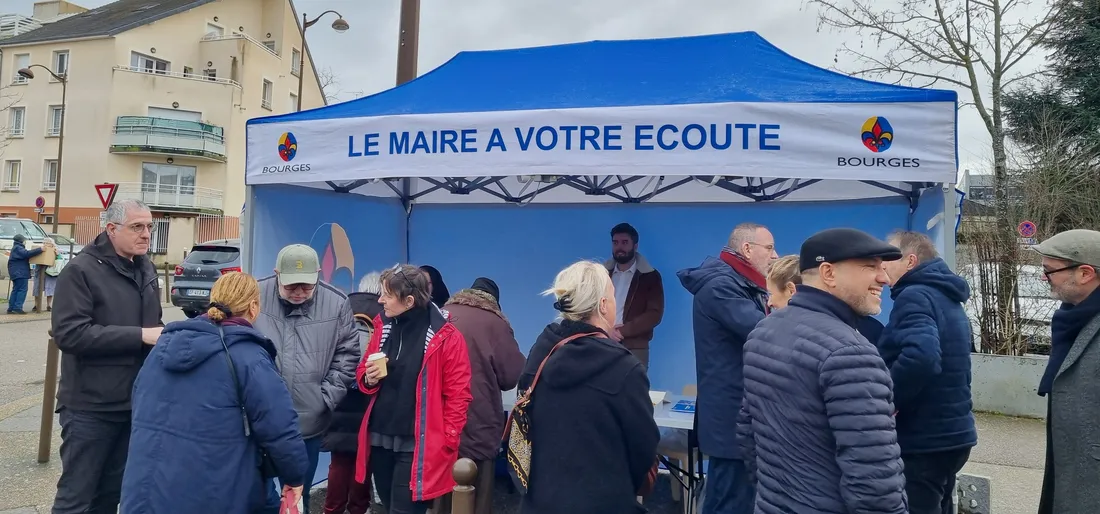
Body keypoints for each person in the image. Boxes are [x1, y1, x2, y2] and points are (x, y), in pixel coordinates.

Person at [737, 227, 907, 513]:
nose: (884, 278)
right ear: (828, 273)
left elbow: (747, 434)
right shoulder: (852, 353)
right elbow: (874, 481)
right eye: (870, 267)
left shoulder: (764, 331)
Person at [121, 272, 309, 513]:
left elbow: (139, 402)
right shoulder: (249, 357)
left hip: (147, 488)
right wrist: (294, 477)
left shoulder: (163, 347)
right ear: (253, 307)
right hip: (214, 490)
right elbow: (280, 427)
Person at [50, 199, 164, 514]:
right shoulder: (80, 270)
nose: (146, 234)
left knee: (110, 496)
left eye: (149, 227)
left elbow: (153, 326)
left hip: (133, 403)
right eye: (137, 227)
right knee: (76, 499)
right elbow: (70, 334)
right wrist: (139, 335)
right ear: (111, 229)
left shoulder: (146, 267)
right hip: (90, 408)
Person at [518, 260, 659, 514]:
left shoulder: (542, 350)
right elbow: (643, 449)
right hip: (604, 503)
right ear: (603, 305)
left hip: (538, 501)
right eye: (613, 296)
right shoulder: (625, 367)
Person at [677, 222, 776, 514]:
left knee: (736, 499)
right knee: (729, 501)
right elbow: (763, 331)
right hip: (731, 418)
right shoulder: (721, 286)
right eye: (769, 248)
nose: (775, 255)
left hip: (740, 414)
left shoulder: (741, 283)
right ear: (747, 249)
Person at [356, 264, 472, 514]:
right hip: (380, 438)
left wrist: (448, 439)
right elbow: (363, 372)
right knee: (387, 508)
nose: (380, 300)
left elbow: (458, 394)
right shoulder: (382, 326)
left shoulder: (446, 336)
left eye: (387, 295)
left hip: (417, 444)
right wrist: (368, 379)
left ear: (408, 301)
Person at [254, 244, 359, 514]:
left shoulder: (336, 302)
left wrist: (324, 399)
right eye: (291, 286)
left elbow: (347, 354)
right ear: (277, 274)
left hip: (308, 422)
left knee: (298, 498)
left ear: (318, 275)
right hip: (258, 420)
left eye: (307, 285)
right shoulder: (254, 295)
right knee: (255, 496)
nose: (299, 292)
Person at [878, 230, 976, 514]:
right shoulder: (946, 295)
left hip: (925, 436)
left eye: (888, 258)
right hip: (954, 433)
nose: (881, 266)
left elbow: (921, 357)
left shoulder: (914, 295)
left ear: (910, 261)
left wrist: (887, 402)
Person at [443, 277, 526, 514]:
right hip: (477, 420)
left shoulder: (442, 314)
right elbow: (511, 376)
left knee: (440, 494)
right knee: (476, 494)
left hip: (438, 420)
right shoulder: (495, 323)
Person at [1033, 229, 1100, 514]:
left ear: (1085, 273)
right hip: (1073, 471)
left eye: (1049, 271)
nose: (1043, 278)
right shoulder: (1073, 319)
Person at [323, 271, 384, 514]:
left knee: (339, 459)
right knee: (362, 460)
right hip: (368, 397)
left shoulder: (341, 308)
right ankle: (358, 508)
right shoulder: (384, 315)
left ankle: (332, 508)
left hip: (340, 393)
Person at [604, 223, 665, 370]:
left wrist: (622, 331)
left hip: (635, 348)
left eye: (625, 242)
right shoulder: (602, 274)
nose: (619, 247)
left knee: (633, 384)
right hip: (602, 341)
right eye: (615, 243)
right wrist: (605, 330)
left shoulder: (650, 276)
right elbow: (591, 307)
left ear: (635, 246)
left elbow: (654, 314)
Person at [6, 233, 48, 314]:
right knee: (22, 290)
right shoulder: (18, 248)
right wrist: (40, 249)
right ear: (21, 241)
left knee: (16, 290)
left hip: (16, 273)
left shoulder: (15, 248)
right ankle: (17, 307)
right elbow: (27, 254)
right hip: (20, 273)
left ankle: (11, 308)